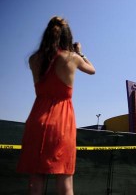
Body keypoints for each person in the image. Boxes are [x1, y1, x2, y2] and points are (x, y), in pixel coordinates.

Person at [17, 16, 95, 195]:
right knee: (65, 184)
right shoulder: (72, 58)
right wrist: (80, 52)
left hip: (36, 120)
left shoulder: (33, 59)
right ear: (67, 36)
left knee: (35, 181)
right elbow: (92, 70)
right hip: (62, 124)